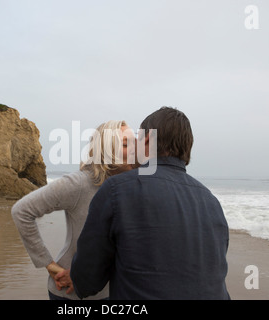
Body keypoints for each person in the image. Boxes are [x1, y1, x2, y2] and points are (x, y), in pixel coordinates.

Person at [61, 107, 230, 300]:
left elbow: (87, 281)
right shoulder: (212, 201)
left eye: (136, 141)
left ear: (147, 140)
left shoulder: (116, 189)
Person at [11, 120, 136, 300]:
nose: (134, 150)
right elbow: (22, 211)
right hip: (70, 293)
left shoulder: (130, 186)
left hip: (112, 292)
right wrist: (48, 264)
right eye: (126, 144)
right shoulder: (79, 183)